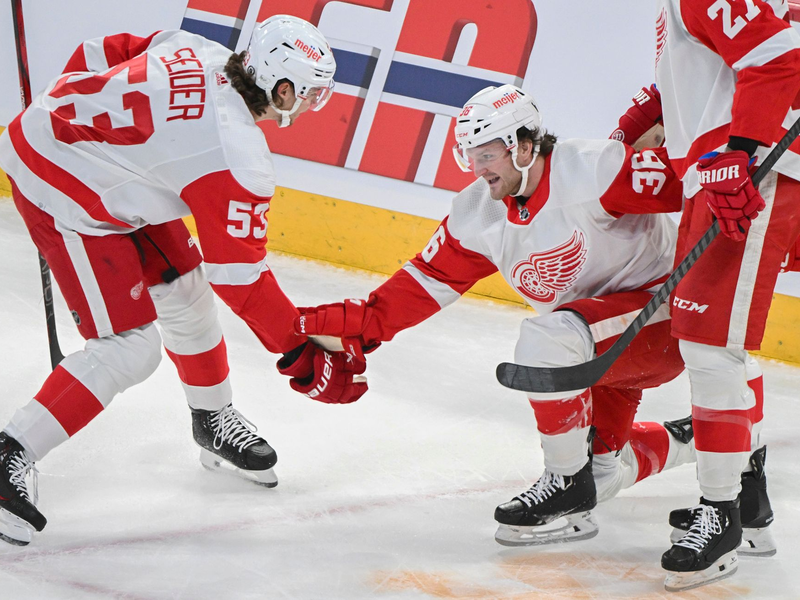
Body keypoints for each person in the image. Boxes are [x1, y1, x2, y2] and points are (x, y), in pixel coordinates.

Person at [0, 14, 366, 546]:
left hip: (97, 161)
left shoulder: (197, 46)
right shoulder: (236, 156)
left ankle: (212, 418)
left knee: (185, 287)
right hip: (60, 182)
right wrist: (299, 349)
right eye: (309, 94)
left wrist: (76, 121)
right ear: (281, 89)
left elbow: (100, 51)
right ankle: (11, 450)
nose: (314, 105)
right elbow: (241, 281)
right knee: (128, 348)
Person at [294, 83, 700, 547]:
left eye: (487, 154)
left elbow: (704, 182)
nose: (477, 168)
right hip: (598, 357)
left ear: (524, 146)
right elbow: (420, 286)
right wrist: (349, 330)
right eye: (470, 154)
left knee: (546, 341)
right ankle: (692, 439)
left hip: (668, 319)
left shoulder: (595, 169)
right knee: (602, 474)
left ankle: (564, 481)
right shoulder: (478, 213)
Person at [620, 0, 800, 590]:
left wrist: (741, 151)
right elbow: (715, 61)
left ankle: (719, 515)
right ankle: (747, 504)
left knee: (711, 349)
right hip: (730, 164)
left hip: (750, 171)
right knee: (719, 349)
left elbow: (777, 57)